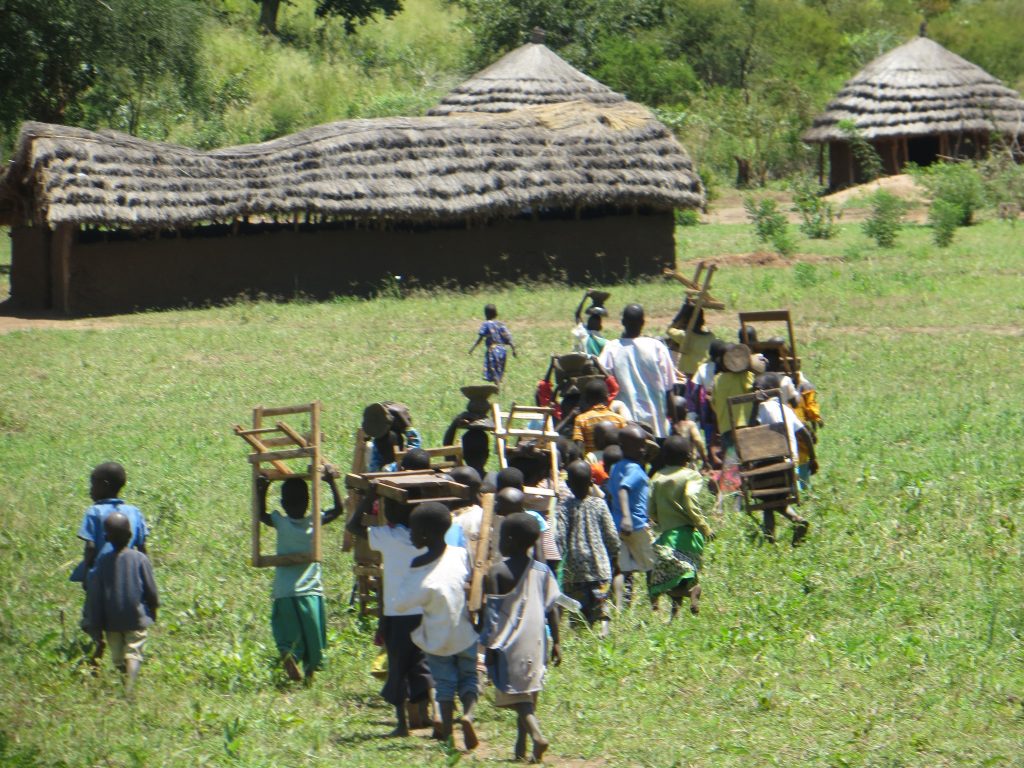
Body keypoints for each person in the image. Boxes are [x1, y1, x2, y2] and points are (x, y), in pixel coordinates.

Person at [347, 494, 435, 736]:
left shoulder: (387, 536)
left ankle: (402, 724)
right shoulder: (427, 538)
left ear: (391, 513)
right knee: (423, 664)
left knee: (398, 666)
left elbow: (353, 526)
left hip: (397, 613)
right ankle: (428, 715)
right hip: (425, 610)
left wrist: (367, 497)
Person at [394, 503, 480, 750]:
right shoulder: (460, 554)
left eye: (413, 530)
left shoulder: (418, 566)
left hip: (437, 638)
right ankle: (469, 715)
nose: (409, 534)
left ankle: (448, 738)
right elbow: (471, 580)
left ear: (425, 534)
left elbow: (400, 604)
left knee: (444, 683)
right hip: (465, 632)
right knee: (469, 677)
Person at [482, 513, 562, 763]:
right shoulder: (543, 571)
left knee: (516, 696)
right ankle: (520, 746)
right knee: (530, 691)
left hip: (508, 643)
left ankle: (537, 737)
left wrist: (488, 644)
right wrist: (558, 641)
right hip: (537, 641)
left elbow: (491, 613)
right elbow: (553, 608)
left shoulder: (496, 572)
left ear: (510, 540)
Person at [257, 467, 344, 683]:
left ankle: (288, 653)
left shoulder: (280, 522)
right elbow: (338, 510)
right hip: (310, 591)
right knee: (312, 633)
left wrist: (262, 489)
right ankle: (310, 672)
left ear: (283, 504)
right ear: (308, 501)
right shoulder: (313, 521)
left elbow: (261, 515)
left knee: (287, 630)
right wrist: (330, 482)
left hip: (284, 590)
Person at [70, 462, 148, 664]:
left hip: (100, 576)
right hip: (130, 578)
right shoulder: (134, 512)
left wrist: (87, 573)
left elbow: (90, 547)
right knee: (126, 620)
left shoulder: (93, 512)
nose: (90, 490)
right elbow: (143, 548)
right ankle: (126, 656)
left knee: (92, 616)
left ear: (104, 485)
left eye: (93, 484)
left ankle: (97, 643)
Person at [81, 511, 159, 697]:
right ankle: (129, 689)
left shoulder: (101, 562)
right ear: (130, 536)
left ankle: (125, 682)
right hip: (136, 616)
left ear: (106, 538)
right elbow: (151, 589)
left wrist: (95, 623)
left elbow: (95, 595)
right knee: (134, 652)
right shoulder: (140, 559)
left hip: (111, 621)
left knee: (118, 658)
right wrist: (154, 609)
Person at [647, 435, 714, 618]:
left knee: (665, 582)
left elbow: (651, 508)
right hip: (690, 536)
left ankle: (687, 595)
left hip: (669, 536)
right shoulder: (691, 475)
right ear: (688, 457)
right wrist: (704, 527)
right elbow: (691, 501)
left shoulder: (657, 477)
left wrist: (659, 519)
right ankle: (679, 609)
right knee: (683, 576)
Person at [555, 461, 619, 635]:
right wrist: (615, 553)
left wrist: (558, 561)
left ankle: (582, 635)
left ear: (568, 484)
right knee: (602, 605)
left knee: (578, 612)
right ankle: (604, 631)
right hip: (600, 567)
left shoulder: (563, 508)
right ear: (592, 481)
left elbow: (559, 537)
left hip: (575, 571)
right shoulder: (599, 504)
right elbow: (611, 534)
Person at [751, 374, 814, 545]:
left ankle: (771, 540)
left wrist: (754, 406)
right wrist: (813, 459)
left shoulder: (761, 409)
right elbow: (805, 434)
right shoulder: (786, 409)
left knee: (767, 505)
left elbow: (749, 435)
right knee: (776, 501)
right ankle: (796, 520)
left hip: (768, 465)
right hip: (788, 466)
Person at [598, 304, 677, 439]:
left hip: (627, 426)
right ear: (643, 323)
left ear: (622, 322)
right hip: (657, 425)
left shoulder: (611, 349)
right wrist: (675, 422)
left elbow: (602, 384)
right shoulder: (657, 347)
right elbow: (669, 389)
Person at [604, 425, 656, 609]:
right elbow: (623, 490)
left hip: (619, 527)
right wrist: (627, 516)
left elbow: (611, 494)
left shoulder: (616, 467)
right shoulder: (634, 469)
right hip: (636, 525)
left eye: (644, 445)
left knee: (624, 569)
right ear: (624, 447)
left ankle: (622, 605)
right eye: (639, 446)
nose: (643, 449)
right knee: (652, 566)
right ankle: (655, 604)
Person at [571, 378, 629, 454]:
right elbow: (625, 442)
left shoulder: (581, 420)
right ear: (607, 396)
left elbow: (579, 447)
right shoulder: (619, 419)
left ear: (586, 399)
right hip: (614, 459)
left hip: (592, 462)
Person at [469, 304, 517, 387]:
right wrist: (513, 349)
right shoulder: (501, 324)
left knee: (493, 370)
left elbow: (480, 338)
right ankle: (498, 386)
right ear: (496, 314)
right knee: (499, 370)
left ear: (485, 314)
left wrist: (472, 349)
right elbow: (509, 338)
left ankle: (497, 387)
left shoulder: (486, 324)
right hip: (502, 350)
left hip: (493, 350)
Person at [666, 301, 716, 379]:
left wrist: (680, 314)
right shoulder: (711, 337)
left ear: (686, 322)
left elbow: (668, 329)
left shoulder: (684, 336)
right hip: (706, 376)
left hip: (692, 377)